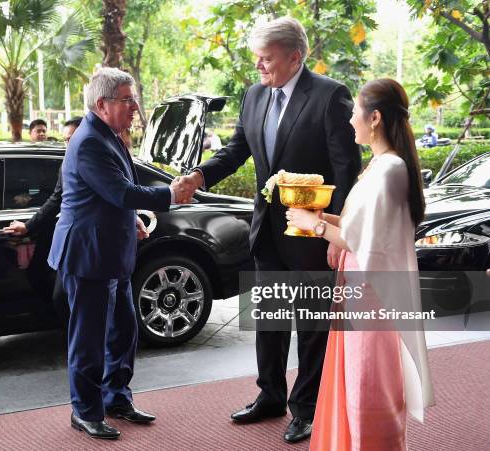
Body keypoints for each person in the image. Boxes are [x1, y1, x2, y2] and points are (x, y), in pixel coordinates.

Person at [175, 17, 361, 443]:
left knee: (312, 325)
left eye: (266, 58)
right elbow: (236, 149)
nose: (258, 66)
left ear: (295, 57)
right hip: (266, 231)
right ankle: (270, 396)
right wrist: (199, 177)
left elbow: (346, 168)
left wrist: (335, 230)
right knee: (271, 320)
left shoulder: (331, 96)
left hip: (312, 231)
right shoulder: (255, 95)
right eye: (256, 58)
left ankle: (307, 408)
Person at [287, 78, 435, 450]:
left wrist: (316, 225)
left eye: (355, 112)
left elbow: (364, 242)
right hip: (359, 291)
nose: (349, 120)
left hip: (373, 297)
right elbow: (362, 229)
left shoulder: (389, 170)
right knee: (356, 382)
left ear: (375, 119)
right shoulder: (379, 166)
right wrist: (323, 218)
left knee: (368, 388)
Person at [47, 67, 191, 440]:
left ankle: (116, 398)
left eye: (133, 99)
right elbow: (122, 193)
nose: (134, 106)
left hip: (113, 251)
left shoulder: (108, 134)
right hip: (87, 255)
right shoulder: (90, 140)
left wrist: (132, 222)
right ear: (102, 104)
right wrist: (171, 195)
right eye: (127, 100)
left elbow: (118, 193)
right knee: (88, 339)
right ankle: (86, 410)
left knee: (123, 332)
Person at [3, 117, 83, 323]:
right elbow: (56, 199)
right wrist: (28, 226)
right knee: (57, 294)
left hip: (88, 243)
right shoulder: (67, 164)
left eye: (72, 139)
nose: (68, 145)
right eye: (66, 140)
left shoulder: (98, 163)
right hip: (64, 237)